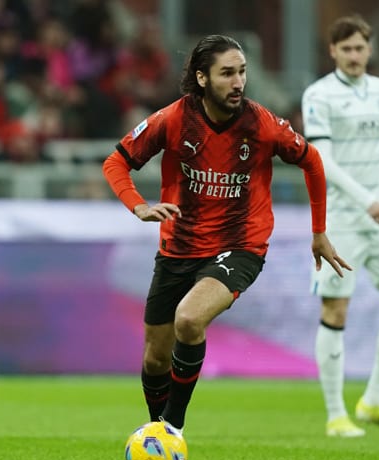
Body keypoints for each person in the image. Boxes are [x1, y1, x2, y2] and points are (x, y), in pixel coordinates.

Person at [102, 34, 350, 433]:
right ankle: (158, 433)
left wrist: (319, 232)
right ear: (202, 79)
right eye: (227, 74)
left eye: (242, 73)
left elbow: (312, 161)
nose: (238, 83)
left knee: (189, 319)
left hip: (240, 246)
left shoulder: (263, 125)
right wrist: (140, 206)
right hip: (178, 247)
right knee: (154, 358)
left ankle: (172, 430)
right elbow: (116, 162)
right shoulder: (173, 120)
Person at [301, 14, 379, 438]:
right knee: (336, 310)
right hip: (340, 219)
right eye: (346, 48)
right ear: (333, 51)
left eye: (360, 48)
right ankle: (336, 415)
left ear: (370, 50)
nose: (354, 55)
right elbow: (323, 162)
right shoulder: (319, 95)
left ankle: (374, 400)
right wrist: (367, 200)